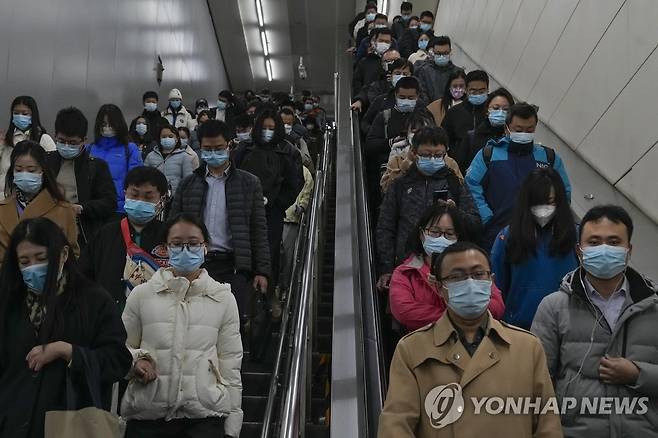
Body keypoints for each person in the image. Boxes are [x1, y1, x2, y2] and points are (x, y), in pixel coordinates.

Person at [379, 242, 562, 437]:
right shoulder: (412, 349)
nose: (470, 283)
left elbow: (547, 424)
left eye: (477, 274)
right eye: (456, 277)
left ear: (491, 281)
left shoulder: (527, 346)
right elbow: (396, 426)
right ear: (440, 288)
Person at [532, 205, 658, 437]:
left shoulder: (653, 307)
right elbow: (536, 382)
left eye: (613, 242)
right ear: (579, 251)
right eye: (594, 242)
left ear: (629, 250)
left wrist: (638, 375)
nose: (604, 249)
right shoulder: (554, 307)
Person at [0, 218, 131, 438]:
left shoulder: (94, 301)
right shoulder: (9, 302)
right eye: (24, 261)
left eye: (41, 258)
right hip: (13, 422)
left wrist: (68, 352)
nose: (33, 267)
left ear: (63, 255)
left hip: (71, 423)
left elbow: (118, 361)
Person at [121, 213, 242, 438]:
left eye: (194, 243)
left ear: (205, 247)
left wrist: (232, 426)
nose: (186, 249)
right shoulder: (141, 295)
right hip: (147, 416)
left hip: (204, 418)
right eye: (177, 244)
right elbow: (119, 349)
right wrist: (136, 361)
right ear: (166, 248)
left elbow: (230, 364)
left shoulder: (223, 298)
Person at [169, 120, 271, 322]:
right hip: (195, 264)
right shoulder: (188, 184)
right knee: (193, 322)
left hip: (233, 265)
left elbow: (258, 229)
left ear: (229, 145)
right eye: (207, 149)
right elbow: (173, 225)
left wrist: (262, 270)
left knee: (231, 324)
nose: (213, 153)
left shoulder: (249, 183)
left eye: (218, 148)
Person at [376, 126, 481, 291]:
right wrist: (386, 268)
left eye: (438, 155)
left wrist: (456, 213)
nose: (432, 159)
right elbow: (385, 227)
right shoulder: (400, 185)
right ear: (414, 153)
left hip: (450, 266)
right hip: (407, 265)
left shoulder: (455, 184)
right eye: (426, 155)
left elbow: (475, 224)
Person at [465, 103, 571, 250]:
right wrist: (486, 217)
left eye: (529, 130)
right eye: (519, 129)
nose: (524, 133)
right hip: (496, 235)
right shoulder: (488, 155)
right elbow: (471, 184)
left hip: (540, 236)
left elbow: (564, 192)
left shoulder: (549, 157)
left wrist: (552, 221)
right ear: (507, 128)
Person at [390, 203, 504, 332]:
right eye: (434, 232)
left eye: (449, 234)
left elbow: (497, 307)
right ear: (422, 234)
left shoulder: (474, 269)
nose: (441, 238)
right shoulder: (406, 273)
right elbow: (404, 311)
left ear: (458, 237)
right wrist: (463, 316)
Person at [491, 169, 577, 329]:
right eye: (537, 202)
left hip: (566, 328)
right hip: (518, 328)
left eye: (550, 202)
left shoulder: (575, 236)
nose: (544, 209)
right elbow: (497, 287)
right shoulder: (507, 237)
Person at [232, 110, 304, 292]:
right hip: (243, 212)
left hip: (272, 212)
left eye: (271, 128)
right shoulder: (245, 148)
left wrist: (276, 202)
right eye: (264, 128)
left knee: (269, 252)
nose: (267, 131)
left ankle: (267, 293)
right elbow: (233, 175)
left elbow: (295, 182)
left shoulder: (288, 151)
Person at [79, 166, 169, 309]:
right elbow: (84, 275)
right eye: (134, 195)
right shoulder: (106, 233)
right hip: (109, 315)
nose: (140, 201)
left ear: (162, 199)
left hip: (155, 315)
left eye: (148, 197)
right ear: (125, 194)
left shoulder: (169, 235)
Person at [46, 107, 117, 247]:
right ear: (55, 136)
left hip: (81, 233)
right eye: (62, 140)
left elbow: (109, 202)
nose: (66, 146)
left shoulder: (96, 167)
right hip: (47, 229)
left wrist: (82, 208)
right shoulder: (46, 161)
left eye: (72, 143)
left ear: (84, 140)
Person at [0, 141, 79, 263]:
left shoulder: (63, 210)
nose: (24, 174)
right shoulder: (2, 209)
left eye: (31, 170)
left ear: (43, 171)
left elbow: (73, 254)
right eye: (19, 169)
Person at [365, 76, 423, 208]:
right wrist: (390, 142)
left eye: (410, 98)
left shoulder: (424, 117)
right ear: (396, 95)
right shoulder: (385, 117)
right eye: (402, 97)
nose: (406, 101)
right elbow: (369, 145)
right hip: (389, 172)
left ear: (417, 96)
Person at [380, 111, 462, 193]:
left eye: (424, 131)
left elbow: (461, 191)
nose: (419, 135)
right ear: (407, 133)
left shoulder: (450, 163)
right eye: (414, 131)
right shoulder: (397, 161)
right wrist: (405, 167)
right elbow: (386, 190)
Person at [88, 104, 143, 214]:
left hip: (119, 210)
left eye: (111, 124)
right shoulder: (89, 149)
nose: (107, 127)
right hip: (93, 209)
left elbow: (137, 181)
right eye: (104, 124)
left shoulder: (130, 149)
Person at [0, 96, 57, 201]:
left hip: (35, 197)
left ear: (33, 115)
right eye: (16, 113)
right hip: (4, 196)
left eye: (24, 114)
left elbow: (52, 169)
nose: (20, 116)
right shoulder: (6, 139)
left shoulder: (43, 138)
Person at [455, 87, 514, 173]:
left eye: (506, 109)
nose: (500, 112)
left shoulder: (514, 138)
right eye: (496, 108)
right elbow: (460, 168)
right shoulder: (472, 137)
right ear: (487, 110)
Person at [279, 165, 314, 295]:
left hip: (291, 220)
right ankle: (277, 286)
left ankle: (284, 287)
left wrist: (301, 207)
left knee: (288, 257)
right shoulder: (277, 165)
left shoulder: (304, 171)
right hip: (275, 217)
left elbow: (307, 193)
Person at [441, 69, 490, 152]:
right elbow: (443, 139)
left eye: (482, 91)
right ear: (466, 90)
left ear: (487, 90)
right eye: (473, 91)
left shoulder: (493, 112)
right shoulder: (453, 113)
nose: (478, 94)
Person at [144, 123, 194, 195]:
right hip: (154, 197)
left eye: (170, 136)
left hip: (176, 198)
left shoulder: (184, 156)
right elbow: (145, 178)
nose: (167, 138)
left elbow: (188, 181)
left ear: (177, 138)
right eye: (164, 137)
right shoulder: (150, 156)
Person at [415, 36, 462, 103]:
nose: (442, 56)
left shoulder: (458, 72)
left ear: (450, 52)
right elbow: (422, 94)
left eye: (445, 53)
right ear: (433, 52)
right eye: (438, 53)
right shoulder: (424, 71)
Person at [352, 28, 395, 95]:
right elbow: (357, 84)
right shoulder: (364, 62)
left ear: (391, 43)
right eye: (381, 41)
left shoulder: (396, 61)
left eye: (387, 42)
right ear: (375, 41)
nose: (384, 44)